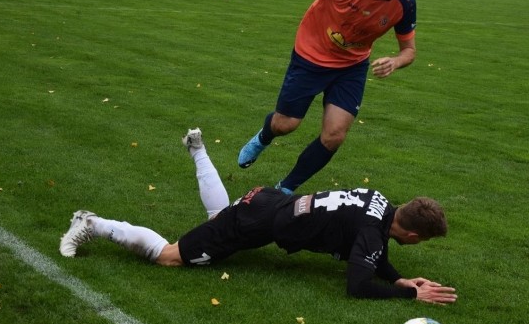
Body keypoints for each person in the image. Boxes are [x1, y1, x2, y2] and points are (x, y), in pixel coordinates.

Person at [59, 128, 457, 304]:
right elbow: (357, 285)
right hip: (258, 221)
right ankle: (91, 223)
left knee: (222, 217)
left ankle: (197, 148)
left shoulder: (378, 202)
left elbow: (371, 253)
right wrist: (408, 292)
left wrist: (397, 276)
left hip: (268, 202)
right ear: (414, 236)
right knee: (171, 256)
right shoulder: (374, 233)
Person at [218, 0, 417, 194]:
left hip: (352, 66)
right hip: (311, 55)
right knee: (286, 124)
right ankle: (263, 137)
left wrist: (395, 61)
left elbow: (409, 51)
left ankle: (285, 189)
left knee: (334, 135)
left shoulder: (405, 2)